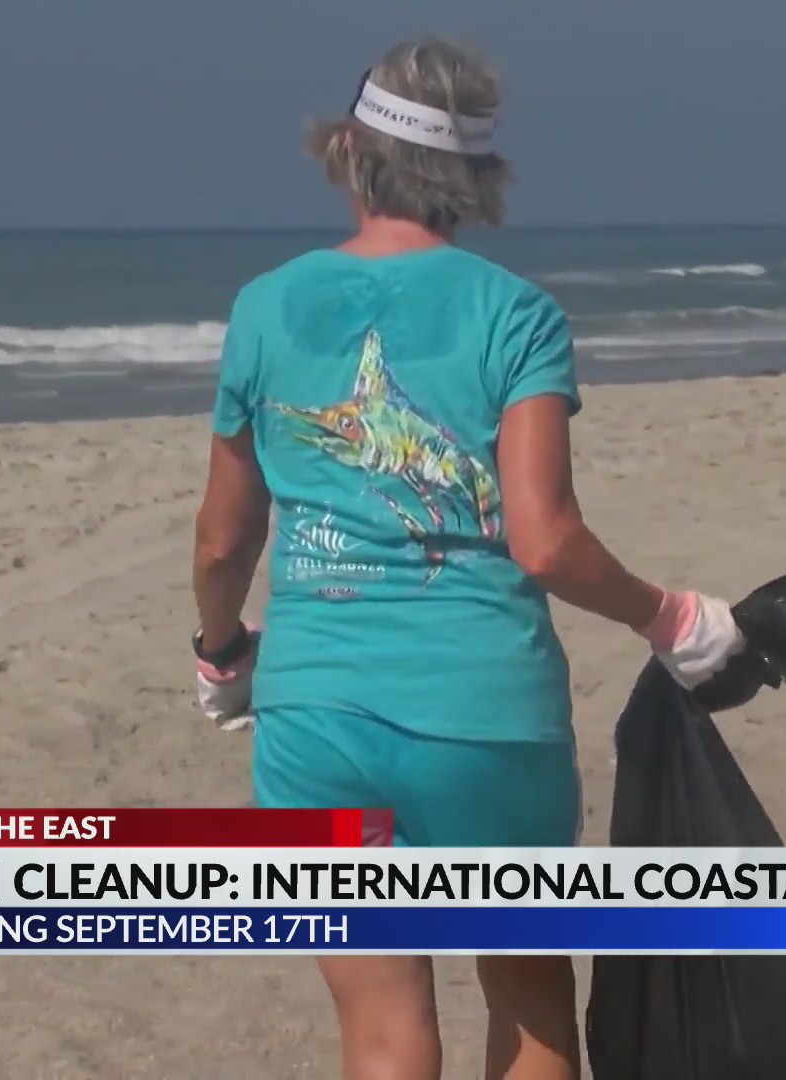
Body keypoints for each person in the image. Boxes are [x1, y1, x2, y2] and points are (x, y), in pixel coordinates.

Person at [188, 38, 748, 1080]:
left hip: (318, 721)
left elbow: (225, 539)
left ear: (348, 151)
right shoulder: (515, 313)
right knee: (533, 1000)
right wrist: (666, 616)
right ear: (475, 179)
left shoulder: (267, 306)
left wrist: (222, 657)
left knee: (384, 1032)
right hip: (489, 719)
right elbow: (545, 540)